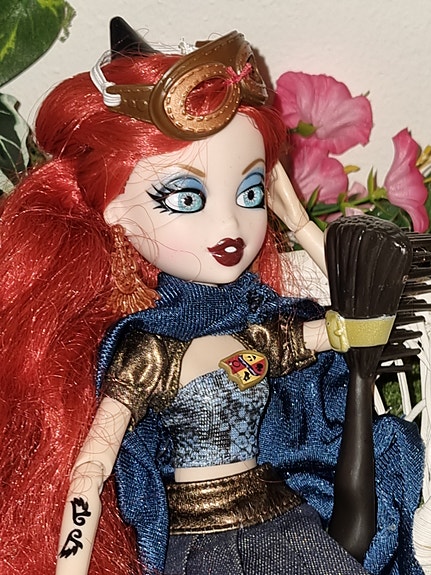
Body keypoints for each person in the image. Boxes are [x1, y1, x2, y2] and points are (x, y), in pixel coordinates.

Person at [0, 27, 423, 575]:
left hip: (283, 523)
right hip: (199, 546)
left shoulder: (261, 333)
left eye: (249, 193)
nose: (229, 224)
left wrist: (298, 221)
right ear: (115, 211)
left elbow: (362, 321)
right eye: (185, 198)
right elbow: (90, 471)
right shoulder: (147, 355)